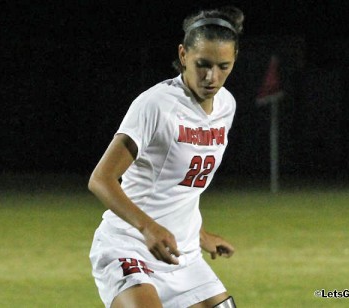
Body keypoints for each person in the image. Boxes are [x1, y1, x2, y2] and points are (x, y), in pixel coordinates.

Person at [88, 6, 244, 308]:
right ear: (183, 55)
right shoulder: (156, 105)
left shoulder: (226, 106)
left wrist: (199, 234)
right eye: (203, 64)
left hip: (181, 254)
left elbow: (179, 187)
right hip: (129, 245)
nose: (212, 77)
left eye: (223, 66)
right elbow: (101, 179)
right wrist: (148, 227)